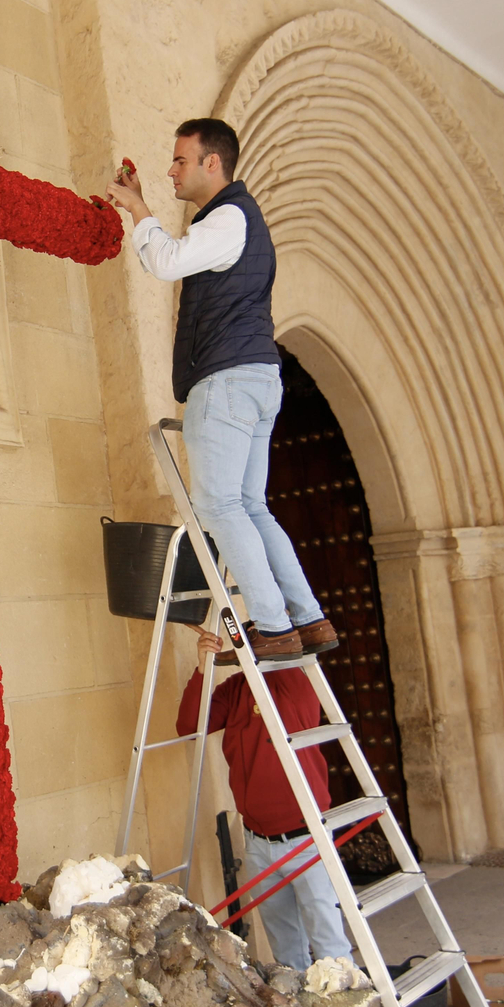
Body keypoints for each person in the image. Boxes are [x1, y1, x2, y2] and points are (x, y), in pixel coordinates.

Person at [106, 118, 337, 662]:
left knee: (219, 506)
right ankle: (308, 619)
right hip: (254, 378)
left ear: (214, 163)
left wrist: (138, 210)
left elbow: (166, 260)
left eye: (181, 159)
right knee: (250, 506)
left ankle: (274, 627)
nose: (171, 170)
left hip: (227, 380)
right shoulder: (235, 220)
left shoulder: (230, 215)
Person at [177, 626, 352, 969]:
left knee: (331, 948)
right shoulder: (234, 688)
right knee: (286, 954)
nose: (247, 640)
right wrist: (203, 668)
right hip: (259, 842)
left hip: (306, 839)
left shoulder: (292, 679)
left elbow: (281, 645)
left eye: (256, 634)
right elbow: (189, 726)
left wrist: (271, 629)